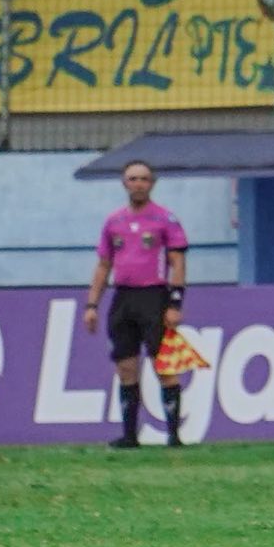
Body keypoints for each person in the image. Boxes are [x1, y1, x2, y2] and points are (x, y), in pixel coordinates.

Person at [85, 159, 189, 449]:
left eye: (144, 179)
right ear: (124, 183)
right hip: (123, 298)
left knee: (163, 366)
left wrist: (175, 302)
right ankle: (130, 435)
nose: (138, 184)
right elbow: (104, 265)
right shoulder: (113, 222)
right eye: (133, 178)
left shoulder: (165, 219)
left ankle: (173, 434)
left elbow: (177, 263)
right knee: (126, 366)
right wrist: (92, 304)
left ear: (152, 183)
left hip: (153, 297)